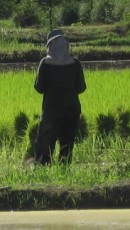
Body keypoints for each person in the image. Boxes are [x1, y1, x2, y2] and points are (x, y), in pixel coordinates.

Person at [33, 29, 86, 165]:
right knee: (67, 145)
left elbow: (39, 88)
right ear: (66, 46)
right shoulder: (75, 63)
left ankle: (44, 171)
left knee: (45, 144)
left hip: (51, 111)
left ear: (50, 46)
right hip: (71, 110)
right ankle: (64, 171)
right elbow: (81, 88)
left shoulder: (45, 63)